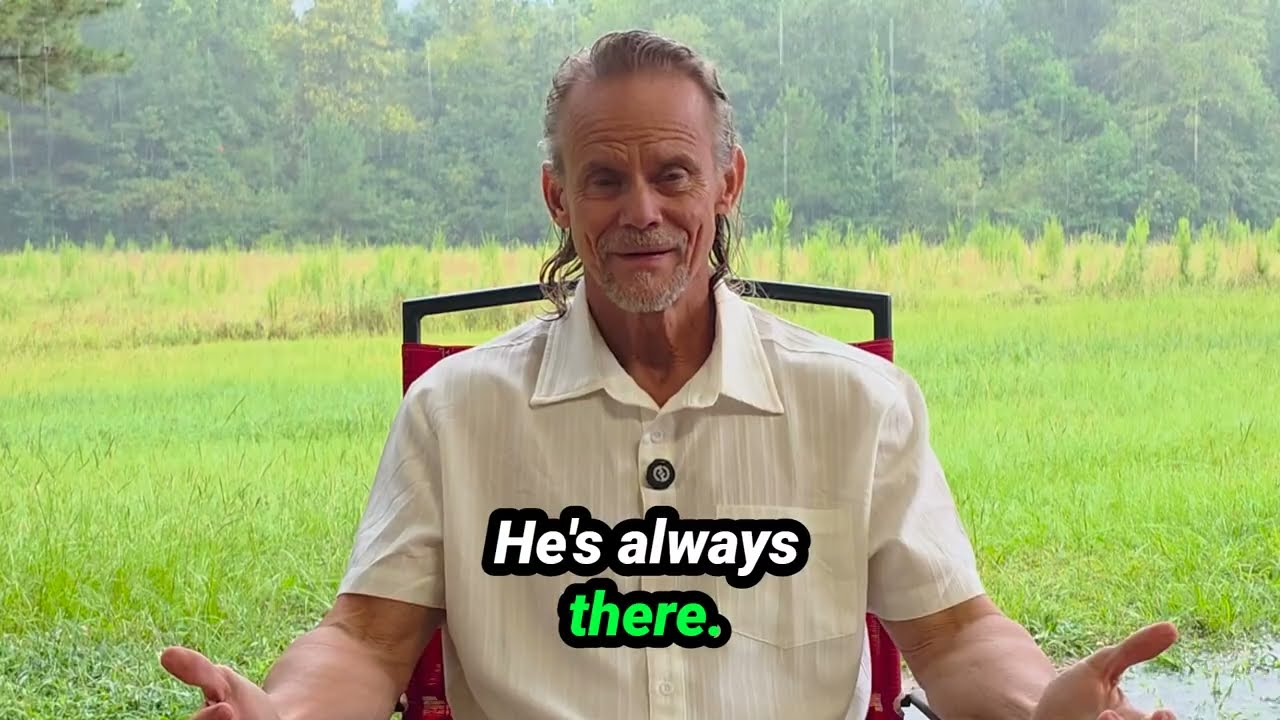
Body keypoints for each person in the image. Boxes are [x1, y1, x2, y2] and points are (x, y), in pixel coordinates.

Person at [160, 29, 1179, 720]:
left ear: (726, 182)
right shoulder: (454, 412)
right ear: (557, 197)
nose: (640, 211)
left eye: (673, 173)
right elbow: (367, 642)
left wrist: (1042, 704)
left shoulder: (857, 405)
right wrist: (287, 710)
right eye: (604, 179)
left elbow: (953, 637)